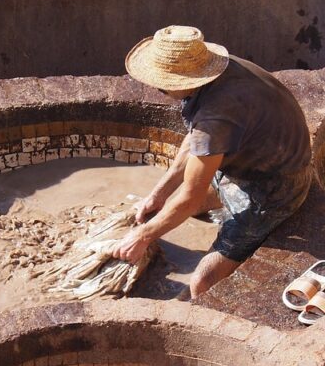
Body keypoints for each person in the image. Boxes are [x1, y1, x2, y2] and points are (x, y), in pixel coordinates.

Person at [112, 25, 312, 299]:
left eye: (161, 83)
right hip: (255, 162)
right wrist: (159, 194)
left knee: (202, 283)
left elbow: (190, 198)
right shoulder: (222, 73)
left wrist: (143, 236)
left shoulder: (217, 116)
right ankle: (221, 211)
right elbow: (195, 142)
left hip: (275, 190)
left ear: (182, 81)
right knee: (176, 210)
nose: (157, 88)